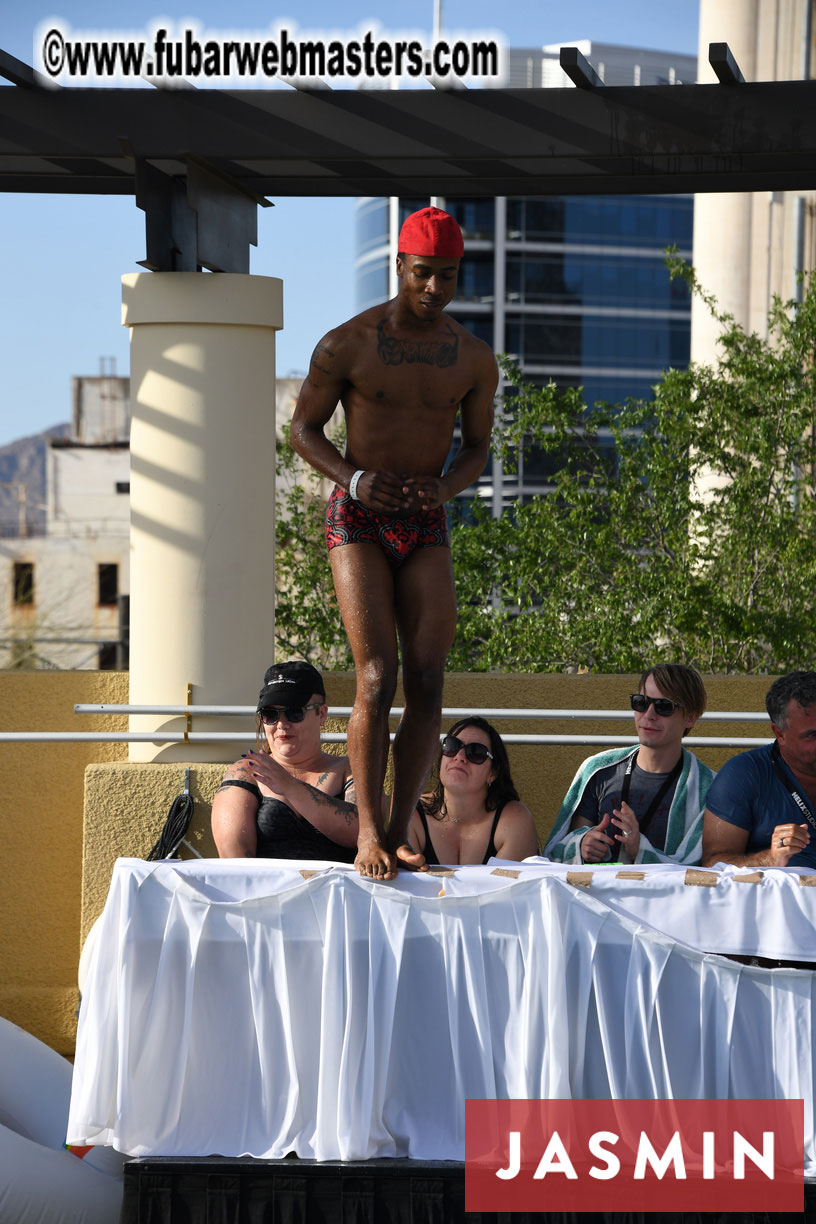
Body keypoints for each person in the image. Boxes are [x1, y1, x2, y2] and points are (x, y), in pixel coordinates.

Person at [289, 206, 498, 881]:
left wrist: (443, 491)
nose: (435, 288)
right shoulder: (346, 344)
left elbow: (478, 448)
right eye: (424, 274)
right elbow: (303, 429)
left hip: (424, 517)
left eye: (448, 276)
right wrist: (352, 479)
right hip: (360, 518)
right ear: (400, 267)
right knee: (376, 676)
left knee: (429, 679)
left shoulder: (472, 356)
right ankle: (369, 834)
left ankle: (406, 829)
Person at [544, 664, 715, 865]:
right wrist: (582, 845)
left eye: (663, 706)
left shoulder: (709, 788)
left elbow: (700, 868)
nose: (649, 714)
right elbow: (561, 848)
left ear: (691, 717)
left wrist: (640, 851)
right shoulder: (598, 771)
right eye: (641, 702)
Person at [211, 661, 359, 862]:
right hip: (267, 891)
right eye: (270, 714)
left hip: (338, 892)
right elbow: (234, 859)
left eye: (294, 712)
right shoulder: (247, 772)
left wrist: (291, 788)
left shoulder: (349, 769)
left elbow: (364, 833)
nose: (281, 724)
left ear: (321, 714)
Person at [701, 671, 816, 869]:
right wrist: (771, 859)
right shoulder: (742, 775)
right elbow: (713, 864)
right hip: (778, 898)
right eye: (812, 736)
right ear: (779, 734)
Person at [405, 717, 539, 865]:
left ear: (493, 773)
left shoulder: (514, 820)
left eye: (476, 752)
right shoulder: (412, 814)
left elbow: (505, 887)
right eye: (452, 746)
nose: (459, 757)